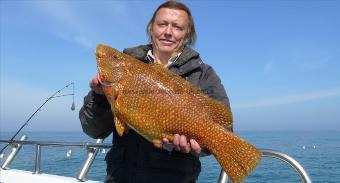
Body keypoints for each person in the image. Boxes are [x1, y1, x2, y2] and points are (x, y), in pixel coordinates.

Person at [79, 1, 231, 183]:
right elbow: (93, 131)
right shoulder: (128, 63)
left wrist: (192, 147)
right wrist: (100, 97)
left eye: (177, 27)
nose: (168, 32)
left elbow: (223, 132)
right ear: (151, 28)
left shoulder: (204, 75)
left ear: (187, 34)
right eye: (162, 24)